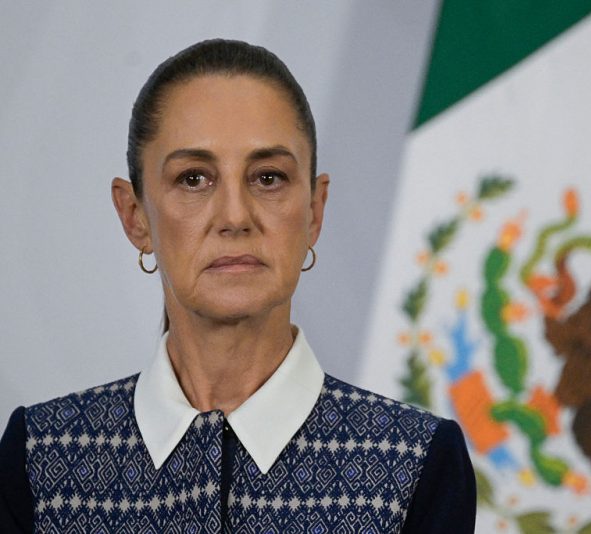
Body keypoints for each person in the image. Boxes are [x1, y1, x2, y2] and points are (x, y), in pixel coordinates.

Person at [0, 39, 476, 533]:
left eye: (268, 177)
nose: (234, 216)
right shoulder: (40, 459)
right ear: (135, 215)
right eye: (193, 179)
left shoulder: (414, 463)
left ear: (315, 211)